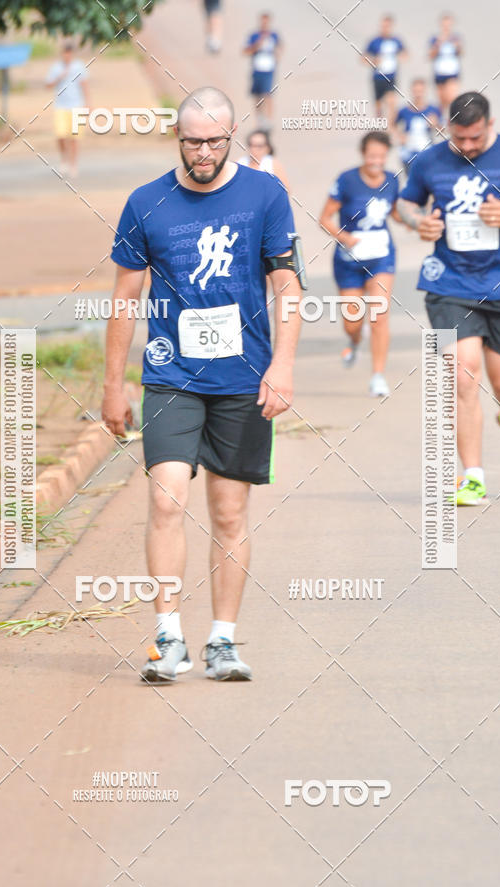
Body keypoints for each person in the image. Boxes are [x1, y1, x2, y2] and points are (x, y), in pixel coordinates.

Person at [103, 86, 302, 683]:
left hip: (243, 378)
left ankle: (222, 641)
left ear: (231, 136)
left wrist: (283, 365)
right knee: (166, 498)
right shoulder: (146, 203)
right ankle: (168, 638)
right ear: (178, 138)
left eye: (215, 141)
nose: (205, 152)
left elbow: (288, 287)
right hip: (171, 375)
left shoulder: (265, 194)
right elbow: (124, 298)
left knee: (229, 511)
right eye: (194, 142)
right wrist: (113, 385)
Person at [398, 91, 500, 506]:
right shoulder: (429, 160)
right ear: (447, 129)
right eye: (459, 138)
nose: (468, 146)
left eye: (475, 138)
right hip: (448, 285)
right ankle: (472, 477)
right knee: (462, 374)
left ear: (490, 125)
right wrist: (419, 222)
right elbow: (405, 204)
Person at [319, 131, 400, 397]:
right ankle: (355, 339)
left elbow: (396, 213)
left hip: (381, 257)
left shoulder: (392, 180)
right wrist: (344, 237)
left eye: (381, 156)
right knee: (352, 322)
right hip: (349, 260)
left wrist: (417, 221)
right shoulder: (346, 180)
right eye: (372, 155)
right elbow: (325, 218)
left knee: (379, 315)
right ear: (363, 154)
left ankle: (378, 376)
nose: (376, 161)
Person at [45, 40, 89, 178]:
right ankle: (64, 158)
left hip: (76, 105)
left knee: (75, 138)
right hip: (61, 106)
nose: (67, 55)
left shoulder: (79, 66)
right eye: (65, 52)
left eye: (69, 53)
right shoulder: (56, 67)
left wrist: (88, 103)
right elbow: (48, 85)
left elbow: (84, 84)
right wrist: (60, 77)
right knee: (61, 135)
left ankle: (73, 164)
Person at [364, 15, 407, 126]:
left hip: (391, 77)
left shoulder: (396, 41)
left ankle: (390, 127)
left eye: (387, 26)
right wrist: (373, 60)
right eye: (383, 26)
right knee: (378, 107)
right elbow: (363, 58)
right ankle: (380, 126)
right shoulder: (374, 41)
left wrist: (400, 57)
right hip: (378, 77)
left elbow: (406, 54)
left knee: (392, 103)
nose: (385, 29)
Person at [243, 12, 282, 129]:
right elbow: (245, 51)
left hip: (269, 70)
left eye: (266, 22)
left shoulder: (274, 36)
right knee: (257, 96)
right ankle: (259, 120)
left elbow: (279, 49)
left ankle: (269, 120)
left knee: (268, 94)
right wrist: (257, 45)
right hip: (257, 69)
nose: (264, 24)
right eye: (263, 22)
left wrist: (277, 56)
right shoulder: (254, 36)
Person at [395, 78, 442, 174]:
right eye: (415, 91)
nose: (418, 94)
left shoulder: (433, 110)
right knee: (411, 177)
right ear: (411, 92)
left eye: (420, 91)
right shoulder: (404, 111)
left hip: (426, 150)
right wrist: (400, 135)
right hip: (409, 152)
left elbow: (444, 130)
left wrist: (436, 124)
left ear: (425, 91)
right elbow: (392, 125)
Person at [429, 13, 463, 115]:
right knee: (442, 101)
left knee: (452, 98)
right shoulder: (435, 39)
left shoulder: (456, 38)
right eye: (444, 25)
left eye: (448, 25)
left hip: (452, 72)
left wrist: (457, 46)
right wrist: (438, 44)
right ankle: (443, 120)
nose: (446, 27)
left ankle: (454, 118)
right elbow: (431, 55)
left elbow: (461, 52)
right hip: (439, 73)